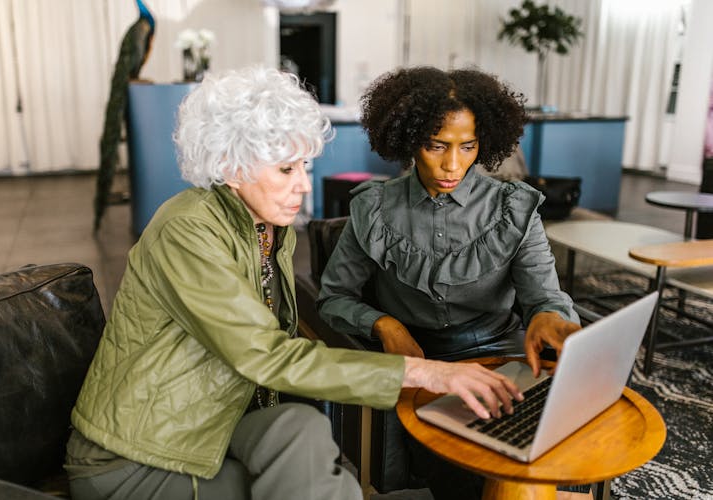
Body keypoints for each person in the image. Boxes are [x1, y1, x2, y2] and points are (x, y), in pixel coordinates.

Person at [64, 66, 525, 500]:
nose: (304, 186)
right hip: (134, 457)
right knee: (316, 484)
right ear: (229, 165)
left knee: (301, 428)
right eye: (287, 170)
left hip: (210, 422)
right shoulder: (187, 229)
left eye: (305, 166)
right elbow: (265, 355)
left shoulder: (267, 227)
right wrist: (427, 371)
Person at [316, 66, 582, 498]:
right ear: (408, 140)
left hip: (500, 350)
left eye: (468, 146)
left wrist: (548, 316)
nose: (452, 164)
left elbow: (544, 296)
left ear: (485, 142)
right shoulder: (375, 208)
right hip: (419, 359)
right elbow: (333, 298)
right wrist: (387, 326)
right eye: (436, 145)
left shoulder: (513, 207)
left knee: (541, 444)